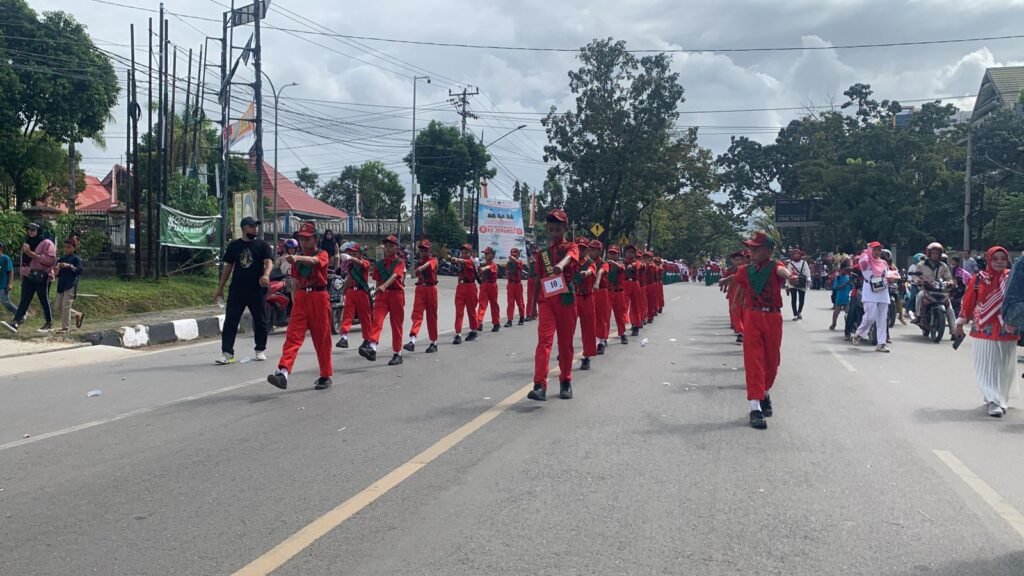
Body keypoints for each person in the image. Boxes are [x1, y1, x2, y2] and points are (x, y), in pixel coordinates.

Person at [719, 231, 796, 430]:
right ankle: (755, 407)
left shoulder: (775, 266)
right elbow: (738, 278)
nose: (751, 251)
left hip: (772, 318)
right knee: (753, 361)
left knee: (772, 362)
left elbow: (784, 273)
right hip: (752, 316)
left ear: (768, 251)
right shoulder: (746, 270)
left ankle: (764, 392)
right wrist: (729, 281)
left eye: (756, 248)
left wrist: (791, 277)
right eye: (750, 248)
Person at [267, 222, 333, 390]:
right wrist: (295, 301)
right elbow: (296, 282)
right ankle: (283, 372)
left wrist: (297, 258)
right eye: (301, 239)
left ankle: (325, 375)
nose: (303, 242)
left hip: (319, 296)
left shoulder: (322, 253)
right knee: (292, 336)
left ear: (315, 239)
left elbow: (315, 261)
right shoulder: (296, 259)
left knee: (322, 339)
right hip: (302, 297)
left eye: (307, 239)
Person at [955, 246, 1019, 417]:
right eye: (995, 258)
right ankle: (994, 400)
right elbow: (968, 302)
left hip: (1008, 327)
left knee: (1005, 366)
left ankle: (1001, 397)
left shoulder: (1014, 278)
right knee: (987, 364)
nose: (999, 261)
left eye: (1002, 258)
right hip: (984, 327)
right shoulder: (979, 279)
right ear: (989, 260)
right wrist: (960, 322)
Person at [528, 209, 580, 402]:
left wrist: (562, 265)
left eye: (557, 229)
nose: (554, 233)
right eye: (551, 229)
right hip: (547, 300)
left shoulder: (571, 246)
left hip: (566, 300)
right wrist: (532, 306)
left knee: (565, 344)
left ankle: (565, 380)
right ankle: (539, 384)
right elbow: (538, 279)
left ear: (564, 228)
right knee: (544, 341)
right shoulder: (543, 253)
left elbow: (571, 257)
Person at [213, 216, 273, 364]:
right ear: (244, 228)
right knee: (231, 321)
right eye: (252, 226)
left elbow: (269, 262)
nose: (255, 229)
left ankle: (260, 349)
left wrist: (266, 275)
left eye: (256, 226)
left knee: (260, 320)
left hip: (257, 290)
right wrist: (220, 288)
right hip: (237, 290)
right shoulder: (234, 246)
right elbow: (228, 267)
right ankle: (227, 353)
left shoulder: (262, 245)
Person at [2, 222, 57, 333]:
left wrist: (32, 254)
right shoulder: (27, 243)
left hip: (41, 276)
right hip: (28, 275)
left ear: (38, 231)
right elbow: (24, 262)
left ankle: (49, 322)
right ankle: (16, 321)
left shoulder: (46, 243)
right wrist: (22, 275)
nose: (30, 232)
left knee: (43, 299)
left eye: (33, 230)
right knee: (24, 300)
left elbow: (50, 260)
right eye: (29, 230)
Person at [363, 235, 406, 365]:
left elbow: (395, 276)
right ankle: (373, 347)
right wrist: (376, 294)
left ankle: (397, 353)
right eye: (386, 246)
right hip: (382, 296)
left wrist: (383, 286)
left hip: (396, 294)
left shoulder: (399, 262)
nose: (387, 249)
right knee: (377, 321)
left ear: (396, 248)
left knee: (396, 325)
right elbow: (377, 281)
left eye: (391, 246)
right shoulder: (379, 264)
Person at [853, 241, 893, 352]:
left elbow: (888, 274)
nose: (877, 252)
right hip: (870, 290)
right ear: (870, 250)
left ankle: (881, 343)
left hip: (883, 291)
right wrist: (865, 254)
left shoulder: (884, 263)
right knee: (871, 316)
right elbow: (863, 266)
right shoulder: (865, 261)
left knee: (882, 318)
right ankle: (859, 334)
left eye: (879, 250)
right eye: (875, 249)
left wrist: (892, 278)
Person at [336, 242, 373, 350]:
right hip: (351, 292)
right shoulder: (350, 266)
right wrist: (343, 293)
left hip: (362, 292)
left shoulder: (365, 262)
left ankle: (367, 339)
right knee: (347, 315)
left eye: (355, 253)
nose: (352, 254)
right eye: (350, 252)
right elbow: (349, 279)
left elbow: (361, 264)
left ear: (360, 254)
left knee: (365, 318)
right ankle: (344, 337)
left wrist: (351, 258)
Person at [405, 239, 439, 354]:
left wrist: (421, 268)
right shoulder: (419, 262)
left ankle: (434, 342)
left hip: (430, 289)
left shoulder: (433, 260)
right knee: (417, 314)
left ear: (429, 251)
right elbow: (416, 276)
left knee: (431, 316)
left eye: (425, 250)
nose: (423, 253)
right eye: (421, 250)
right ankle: (412, 340)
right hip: (420, 289)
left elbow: (430, 265)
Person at [914, 242, 956, 331]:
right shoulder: (921, 264)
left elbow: (949, 277)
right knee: (920, 295)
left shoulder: (943, 266)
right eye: (933, 253)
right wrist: (918, 280)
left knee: (950, 308)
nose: (935, 255)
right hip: (926, 289)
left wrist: (950, 282)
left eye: (937, 253)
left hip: (940, 290)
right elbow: (915, 275)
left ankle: (954, 331)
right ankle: (918, 316)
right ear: (929, 253)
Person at [447, 244, 480, 344]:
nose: (464, 254)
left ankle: (474, 330)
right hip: (461, 287)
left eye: (467, 253)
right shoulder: (463, 262)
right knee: (459, 312)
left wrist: (457, 259)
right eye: (463, 252)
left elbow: (465, 261)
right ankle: (458, 334)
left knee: (471, 311)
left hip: (470, 287)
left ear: (471, 254)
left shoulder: (471, 261)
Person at [575, 237, 598, 370]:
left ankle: (587, 356)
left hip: (587, 298)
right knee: (567, 329)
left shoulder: (590, 262)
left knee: (588, 328)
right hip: (572, 298)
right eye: (578, 247)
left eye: (583, 248)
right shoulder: (570, 262)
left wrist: (586, 273)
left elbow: (591, 270)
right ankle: (565, 352)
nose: (581, 250)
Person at [53, 236, 84, 333]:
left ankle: (65, 327)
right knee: (58, 306)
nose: (66, 249)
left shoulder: (76, 259)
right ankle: (77, 314)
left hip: (71, 284)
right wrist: (56, 270)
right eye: (65, 247)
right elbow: (58, 274)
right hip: (61, 284)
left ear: (74, 248)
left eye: (69, 247)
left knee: (66, 306)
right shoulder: (61, 259)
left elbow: (79, 270)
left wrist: (69, 266)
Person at [606, 245, 630, 345]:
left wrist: (613, 263)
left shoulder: (621, 264)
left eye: (614, 254)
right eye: (610, 253)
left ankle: (623, 334)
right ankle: (603, 338)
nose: (612, 256)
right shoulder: (604, 264)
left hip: (618, 292)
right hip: (607, 292)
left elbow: (621, 268)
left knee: (620, 315)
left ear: (618, 255)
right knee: (605, 316)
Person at [591, 240, 611, 354]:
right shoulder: (586, 262)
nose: (592, 251)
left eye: (595, 249)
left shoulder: (604, 263)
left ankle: (602, 341)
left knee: (601, 317)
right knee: (590, 317)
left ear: (599, 251)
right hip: (588, 291)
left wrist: (597, 283)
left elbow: (600, 272)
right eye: (591, 249)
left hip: (601, 291)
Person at [476, 247, 501, 332]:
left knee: (494, 305)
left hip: (492, 286)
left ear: (493, 255)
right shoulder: (482, 264)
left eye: (488, 253)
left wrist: (484, 268)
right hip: (484, 286)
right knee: (482, 305)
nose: (486, 255)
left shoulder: (494, 265)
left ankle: (496, 323)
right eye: (485, 253)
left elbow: (490, 267)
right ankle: (479, 323)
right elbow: (479, 273)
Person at [724, 251, 746, 343]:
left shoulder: (744, 269)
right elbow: (729, 281)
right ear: (732, 260)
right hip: (734, 291)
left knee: (743, 312)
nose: (738, 261)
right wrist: (727, 291)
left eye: (740, 259)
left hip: (744, 292)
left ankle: (743, 330)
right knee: (735, 310)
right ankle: (739, 330)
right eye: (736, 260)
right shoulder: (730, 269)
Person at [622, 245, 644, 337]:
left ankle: (635, 326)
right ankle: (622, 326)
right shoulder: (622, 262)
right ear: (625, 253)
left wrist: (633, 265)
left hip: (635, 284)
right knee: (623, 306)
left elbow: (639, 265)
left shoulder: (637, 262)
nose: (630, 254)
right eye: (628, 252)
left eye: (632, 252)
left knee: (636, 306)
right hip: (624, 283)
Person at [504, 247, 526, 327]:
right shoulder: (508, 263)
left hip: (518, 284)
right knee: (510, 303)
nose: (513, 256)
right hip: (510, 284)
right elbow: (506, 272)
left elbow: (519, 265)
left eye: (515, 255)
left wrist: (514, 259)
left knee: (520, 302)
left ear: (518, 255)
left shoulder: (519, 262)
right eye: (512, 255)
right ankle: (509, 320)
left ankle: (522, 317)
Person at [787, 249, 811, 320]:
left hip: (802, 282)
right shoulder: (790, 263)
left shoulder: (804, 263)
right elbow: (788, 274)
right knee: (793, 299)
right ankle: (795, 314)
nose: (796, 255)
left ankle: (799, 312)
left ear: (800, 255)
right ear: (793, 255)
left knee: (801, 299)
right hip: (793, 282)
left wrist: (808, 281)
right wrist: (787, 285)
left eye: (798, 254)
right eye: (795, 254)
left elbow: (807, 272)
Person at [830, 261, 853, 331]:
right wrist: (845, 284)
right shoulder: (838, 278)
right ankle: (833, 323)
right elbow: (835, 287)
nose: (845, 271)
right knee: (836, 312)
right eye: (844, 270)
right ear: (841, 269)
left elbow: (852, 287)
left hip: (847, 298)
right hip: (840, 297)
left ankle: (848, 326)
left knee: (848, 314)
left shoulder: (849, 277)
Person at [0, 241, 17, 315]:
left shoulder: (5, 258)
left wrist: (10, 283)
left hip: (3, 285)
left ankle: (19, 313)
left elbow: (10, 271)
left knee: (5, 301)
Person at [525, 250, 539, 322]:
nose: (535, 255)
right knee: (529, 298)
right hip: (531, 280)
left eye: (536, 254)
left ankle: (536, 312)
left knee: (539, 298)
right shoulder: (531, 261)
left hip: (538, 280)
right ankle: (528, 314)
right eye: (534, 254)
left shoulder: (540, 262)